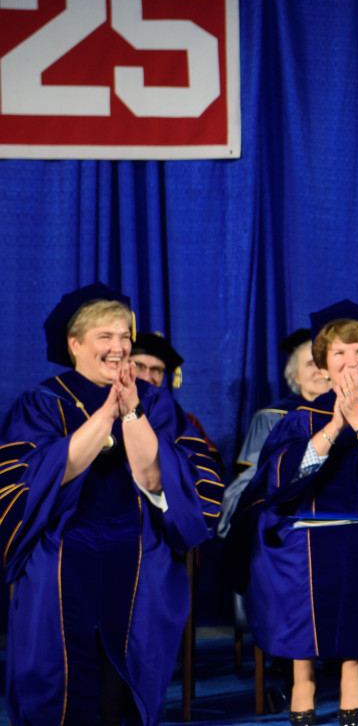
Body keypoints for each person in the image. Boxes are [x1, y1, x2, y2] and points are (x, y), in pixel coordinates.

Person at [0, 283, 223, 726]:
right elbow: (47, 474)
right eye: (106, 336)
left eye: (124, 336)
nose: (119, 346)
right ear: (75, 342)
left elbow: (155, 477)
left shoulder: (156, 401)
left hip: (138, 545)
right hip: (61, 545)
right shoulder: (42, 403)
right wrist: (106, 411)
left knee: (134, 652)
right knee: (54, 647)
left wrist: (131, 410)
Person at [232, 301, 358, 726]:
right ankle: (302, 676)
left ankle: (353, 670)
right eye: (340, 353)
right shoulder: (302, 416)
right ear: (323, 364)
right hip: (302, 525)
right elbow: (278, 479)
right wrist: (333, 428)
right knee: (284, 544)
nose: (351, 361)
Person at [219, 328, 331, 538]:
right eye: (310, 364)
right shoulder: (273, 417)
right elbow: (250, 482)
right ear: (295, 376)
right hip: (288, 524)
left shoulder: (353, 416)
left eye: (325, 363)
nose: (320, 371)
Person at [130, 329, 224, 467]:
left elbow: (210, 467)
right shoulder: (106, 413)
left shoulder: (185, 421)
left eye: (156, 370)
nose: (146, 377)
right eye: (138, 366)